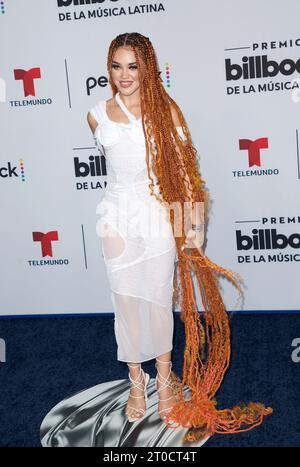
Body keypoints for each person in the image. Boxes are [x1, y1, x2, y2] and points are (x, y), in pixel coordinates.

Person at [87, 32, 272, 443]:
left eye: (132, 66)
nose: (124, 75)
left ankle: (166, 379)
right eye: (116, 66)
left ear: (147, 67)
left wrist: (192, 224)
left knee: (156, 300)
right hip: (116, 218)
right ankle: (137, 379)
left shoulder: (165, 108)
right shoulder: (96, 114)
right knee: (126, 302)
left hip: (157, 217)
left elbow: (186, 173)